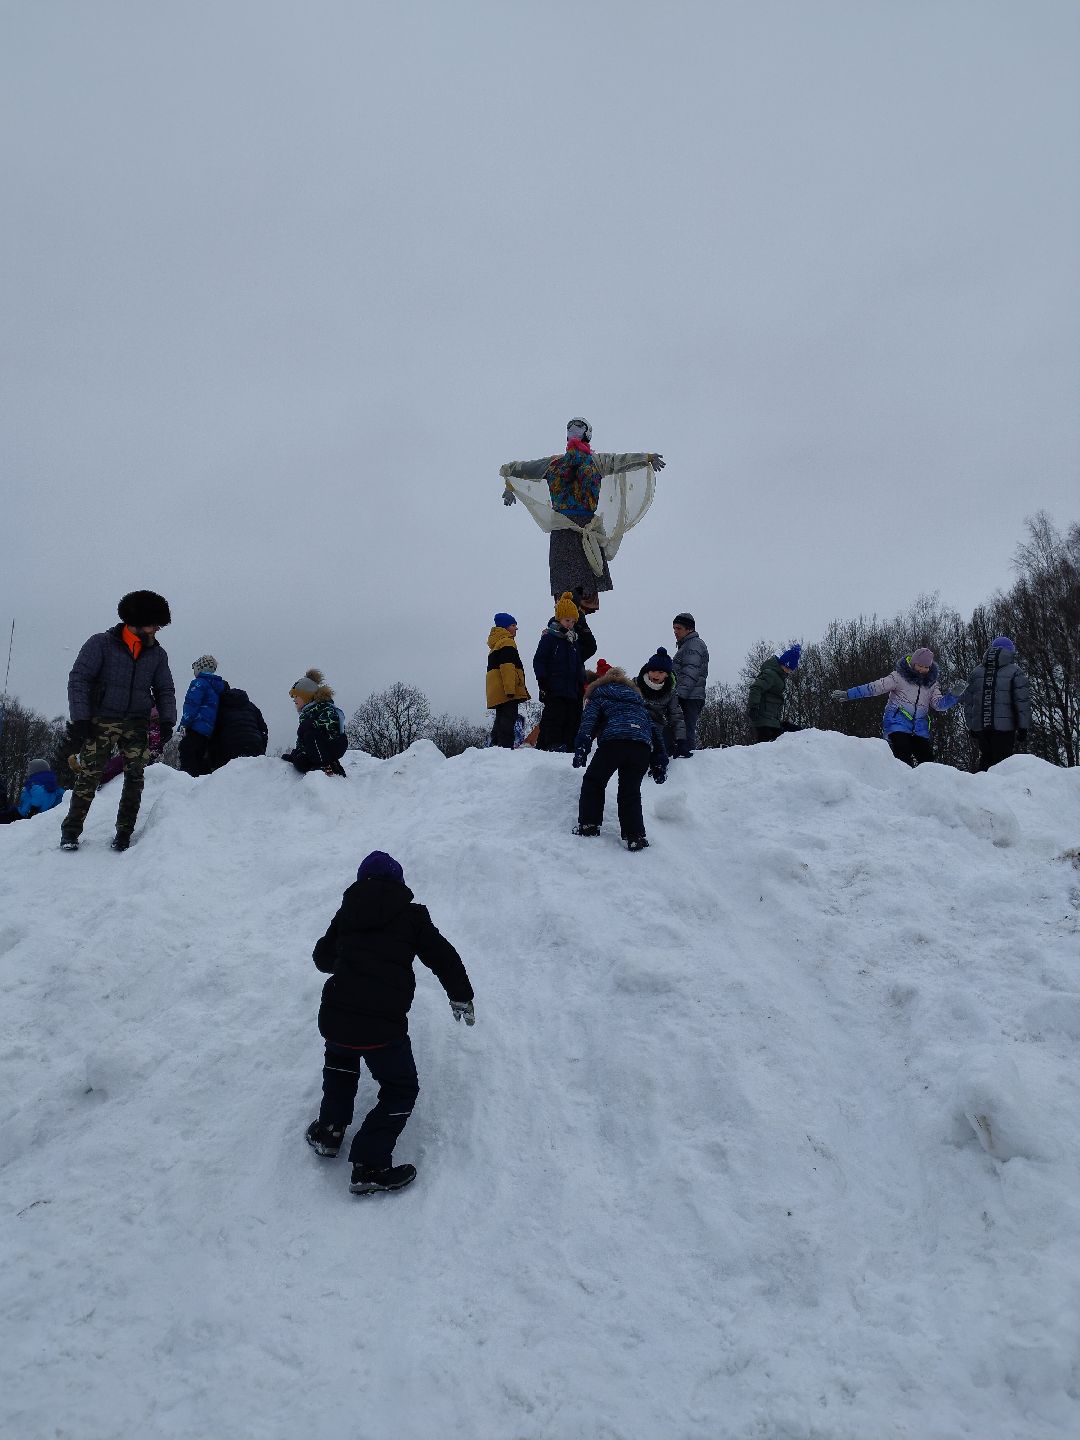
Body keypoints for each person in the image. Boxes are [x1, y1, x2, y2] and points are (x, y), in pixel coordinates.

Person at [305, 850, 475, 1196]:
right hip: (382, 1028)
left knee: (340, 1066)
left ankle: (329, 1133)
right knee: (400, 1089)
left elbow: (322, 958)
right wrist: (460, 993)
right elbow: (442, 955)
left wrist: (349, 958)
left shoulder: (347, 912)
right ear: (399, 882)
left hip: (337, 1018)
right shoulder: (412, 917)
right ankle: (369, 1164)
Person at [500, 418, 665, 610]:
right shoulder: (554, 463)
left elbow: (620, 461)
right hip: (562, 528)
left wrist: (646, 457)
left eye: (578, 427)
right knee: (564, 592)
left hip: (586, 526)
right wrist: (509, 485)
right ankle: (566, 624)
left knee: (585, 592)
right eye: (570, 428)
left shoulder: (597, 461)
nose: (573, 430)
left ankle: (578, 628)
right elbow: (522, 469)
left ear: (587, 433)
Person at [61, 590, 176, 851]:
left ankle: (124, 833)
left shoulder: (157, 654)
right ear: (137, 620)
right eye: (154, 623)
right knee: (89, 776)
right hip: (101, 720)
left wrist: (168, 719)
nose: (157, 629)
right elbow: (79, 678)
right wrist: (81, 718)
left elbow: (165, 689)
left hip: (137, 722)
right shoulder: (100, 644)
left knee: (135, 777)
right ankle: (70, 832)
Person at [572, 664, 668, 851]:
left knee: (594, 781)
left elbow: (589, 721)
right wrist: (659, 761)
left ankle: (589, 825)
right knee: (630, 791)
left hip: (614, 743)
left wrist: (582, 746)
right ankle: (635, 836)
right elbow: (654, 731)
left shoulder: (599, 694)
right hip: (641, 747)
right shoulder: (637, 701)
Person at [831, 646, 960, 766]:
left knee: (928, 762)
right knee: (903, 757)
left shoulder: (931, 684)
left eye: (926, 667)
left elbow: (938, 705)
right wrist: (848, 694)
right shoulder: (898, 677)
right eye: (919, 665)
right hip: (897, 723)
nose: (922, 669)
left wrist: (954, 695)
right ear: (913, 663)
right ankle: (902, 785)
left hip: (919, 729)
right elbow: (875, 687)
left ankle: (924, 789)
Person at [954, 636, 1031, 771]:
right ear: (1010, 652)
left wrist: (972, 725)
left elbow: (968, 702)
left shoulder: (976, 672)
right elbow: (1022, 701)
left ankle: (982, 789)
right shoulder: (1015, 671)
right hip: (1005, 728)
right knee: (1004, 764)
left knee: (986, 758)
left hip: (982, 727)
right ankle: (1002, 791)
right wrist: (1023, 727)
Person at [533, 592, 587, 752]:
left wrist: (581, 681)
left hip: (571, 688)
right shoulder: (550, 638)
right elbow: (539, 660)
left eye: (572, 621)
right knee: (555, 715)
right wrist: (542, 679)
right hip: (554, 685)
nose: (569, 624)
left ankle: (569, 744)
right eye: (566, 620)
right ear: (559, 619)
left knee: (571, 716)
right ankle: (553, 743)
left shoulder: (573, 641)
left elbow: (578, 663)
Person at [282, 669, 348, 777]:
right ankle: (329, 765)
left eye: (296, 696)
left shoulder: (324, 707)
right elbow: (303, 740)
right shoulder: (306, 714)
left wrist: (313, 724)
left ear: (306, 696)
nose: (294, 700)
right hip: (320, 748)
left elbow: (331, 721)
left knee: (311, 735)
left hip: (334, 744)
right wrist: (296, 754)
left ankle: (324, 765)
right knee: (300, 762)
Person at [634, 647, 688, 758]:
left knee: (663, 747)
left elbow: (676, 716)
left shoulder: (670, 693)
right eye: (653, 671)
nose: (656, 675)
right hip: (636, 722)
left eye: (660, 672)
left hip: (656, 725)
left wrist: (681, 740)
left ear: (667, 674)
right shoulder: (635, 684)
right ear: (648, 671)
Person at [486, 612, 530, 749]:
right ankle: (505, 747)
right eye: (513, 625)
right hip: (506, 689)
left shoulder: (496, 644)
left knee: (500, 718)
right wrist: (510, 689)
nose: (516, 628)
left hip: (497, 689)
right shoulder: (507, 642)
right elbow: (508, 667)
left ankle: (495, 744)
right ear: (505, 627)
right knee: (508, 718)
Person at [178, 655, 227, 777]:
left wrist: (184, 723)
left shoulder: (199, 683)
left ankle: (185, 779)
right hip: (208, 729)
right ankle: (201, 780)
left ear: (199, 668)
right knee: (200, 755)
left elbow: (192, 704)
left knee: (186, 750)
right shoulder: (216, 687)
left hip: (196, 726)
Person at [747, 645, 802, 743]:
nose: (790, 671)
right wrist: (753, 707)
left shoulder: (778, 675)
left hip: (772, 719)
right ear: (785, 664)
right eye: (789, 668)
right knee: (766, 746)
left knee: (778, 743)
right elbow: (756, 688)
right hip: (763, 719)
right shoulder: (771, 674)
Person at [671, 613, 709, 753]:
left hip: (690, 697)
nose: (675, 631)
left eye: (678, 628)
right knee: (681, 730)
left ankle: (687, 762)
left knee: (686, 731)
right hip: (689, 695)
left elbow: (690, 672)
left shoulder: (693, 645)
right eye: (674, 628)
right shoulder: (687, 645)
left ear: (689, 629)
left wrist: (679, 696)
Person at [206, 685, 269, 769]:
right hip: (254, 743)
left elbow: (214, 733)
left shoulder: (219, 707)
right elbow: (263, 730)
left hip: (230, 745)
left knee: (230, 775)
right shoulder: (252, 706)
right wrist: (261, 748)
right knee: (256, 773)